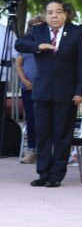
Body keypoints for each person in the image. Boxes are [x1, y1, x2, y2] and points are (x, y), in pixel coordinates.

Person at [15, 0, 82, 188]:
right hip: (42, 92)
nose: (54, 16)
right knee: (43, 134)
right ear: (45, 15)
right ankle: (43, 173)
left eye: (58, 12)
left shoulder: (76, 32)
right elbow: (19, 44)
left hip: (66, 93)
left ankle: (56, 174)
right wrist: (38, 47)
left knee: (62, 136)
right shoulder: (38, 31)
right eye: (50, 12)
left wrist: (81, 92)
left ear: (65, 14)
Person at [16, 15, 45, 164]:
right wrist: (25, 81)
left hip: (45, 88)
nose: (37, 27)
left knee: (45, 120)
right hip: (28, 88)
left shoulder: (48, 43)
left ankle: (45, 151)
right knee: (31, 119)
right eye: (34, 25)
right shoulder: (24, 44)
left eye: (40, 24)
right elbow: (18, 64)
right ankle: (32, 150)